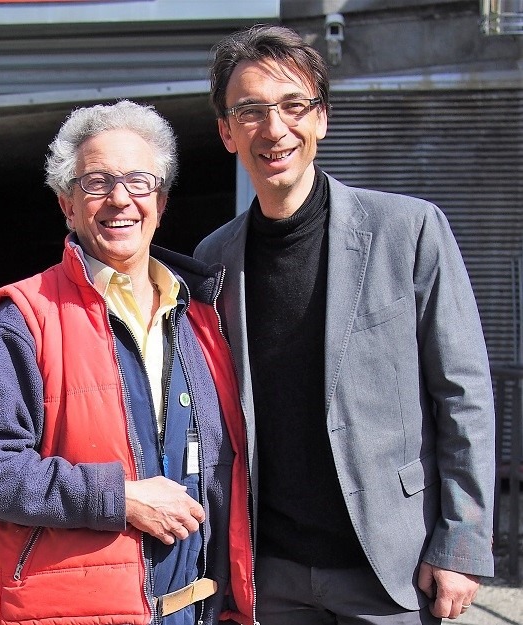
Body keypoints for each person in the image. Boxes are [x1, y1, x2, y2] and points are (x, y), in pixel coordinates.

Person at [194, 24, 496, 625]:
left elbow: (463, 394)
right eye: (251, 111)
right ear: (227, 131)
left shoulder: (409, 230)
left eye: (293, 105)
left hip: (393, 568)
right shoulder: (213, 259)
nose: (274, 129)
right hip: (271, 575)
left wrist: (461, 540)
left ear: (322, 118)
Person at [0, 100, 255, 625]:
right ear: (67, 205)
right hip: (79, 612)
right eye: (96, 183)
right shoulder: (23, 320)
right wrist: (118, 498)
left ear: (160, 200)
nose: (120, 198)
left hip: (200, 610)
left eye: (139, 181)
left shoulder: (202, 315)